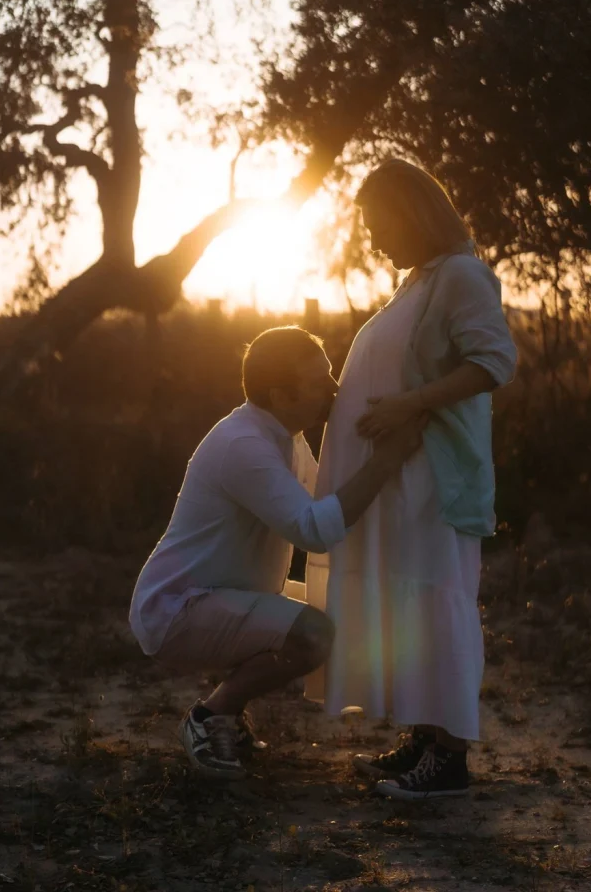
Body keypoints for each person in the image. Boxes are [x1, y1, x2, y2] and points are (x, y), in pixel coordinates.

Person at [306, 159, 517, 801]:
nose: (373, 240)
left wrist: (407, 405)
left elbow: (493, 362)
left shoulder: (461, 275)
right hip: (405, 484)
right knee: (412, 606)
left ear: (411, 213)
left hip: (435, 481)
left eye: (378, 224)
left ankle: (449, 761)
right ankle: (425, 738)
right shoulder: (421, 280)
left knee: (435, 601)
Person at [129, 326, 423, 781]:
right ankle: (209, 717)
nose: (335, 389)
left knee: (341, 612)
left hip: (221, 596)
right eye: (319, 381)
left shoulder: (287, 437)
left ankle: (226, 714)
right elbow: (314, 529)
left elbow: (329, 506)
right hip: (176, 610)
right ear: (280, 395)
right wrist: (387, 458)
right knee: (314, 633)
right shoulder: (244, 446)